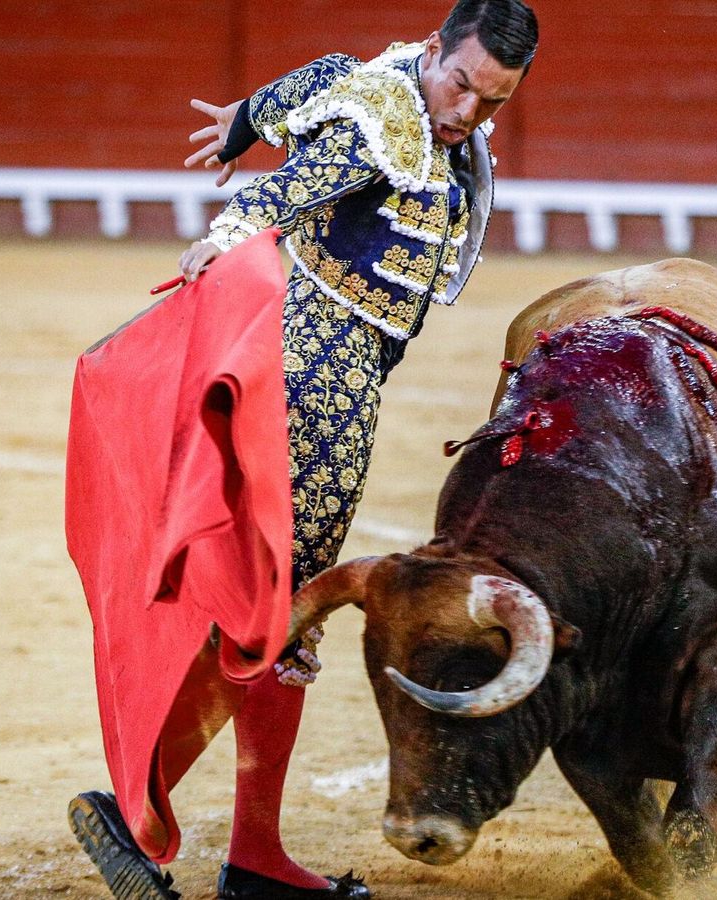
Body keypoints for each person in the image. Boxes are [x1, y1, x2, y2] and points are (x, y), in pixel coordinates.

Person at [66, 2, 538, 898]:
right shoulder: (389, 117)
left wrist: (247, 115)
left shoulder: (395, 86)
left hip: (329, 380)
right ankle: (161, 823)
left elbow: (317, 79)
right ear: (436, 50)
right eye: (462, 84)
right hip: (312, 392)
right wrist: (226, 238)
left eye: (493, 102)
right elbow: (296, 184)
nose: (467, 113)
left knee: (274, 607)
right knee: (277, 611)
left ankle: (238, 852)